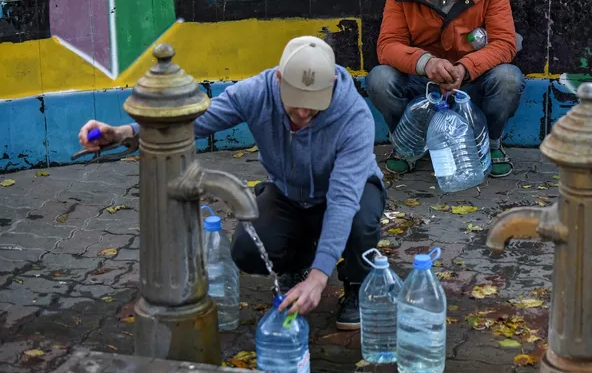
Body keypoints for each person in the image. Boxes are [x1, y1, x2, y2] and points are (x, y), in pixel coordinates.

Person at [77, 36, 385, 331]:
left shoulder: (354, 117)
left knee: (359, 220)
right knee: (248, 250)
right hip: (291, 193)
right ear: (278, 79)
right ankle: (297, 262)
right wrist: (122, 134)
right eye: (296, 103)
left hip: (351, 191)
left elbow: (343, 199)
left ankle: (357, 283)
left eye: (313, 105)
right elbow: (192, 123)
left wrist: (320, 279)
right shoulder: (256, 93)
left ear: (331, 84)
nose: (304, 114)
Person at [366, 0, 525, 178]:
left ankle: (491, 144)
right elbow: (388, 45)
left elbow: (505, 41)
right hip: (423, 83)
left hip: (471, 81)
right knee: (380, 78)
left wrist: (465, 67)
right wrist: (426, 63)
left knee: (509, 78)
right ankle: (407, 147)